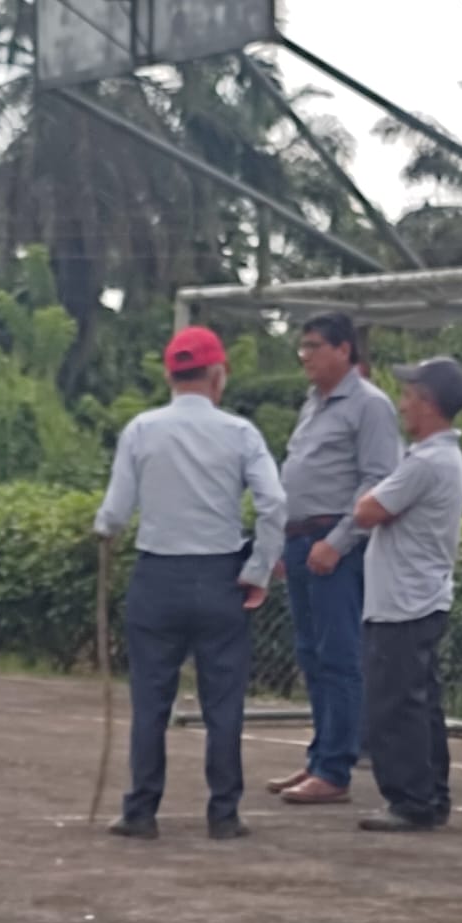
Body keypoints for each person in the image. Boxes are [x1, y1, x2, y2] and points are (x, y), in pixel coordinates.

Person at [94, 327, 286, 841]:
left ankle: (140, 811)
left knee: (150, 702)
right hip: (220, 576)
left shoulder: (141, 429)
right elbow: (274, 503)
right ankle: (223, 814)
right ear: (219, 375)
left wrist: (104, 530)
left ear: (169, 375)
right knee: (223, 704)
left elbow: (114, 512)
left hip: (157, 577)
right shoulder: (241, 433)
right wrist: (258, 569)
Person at [268, 312, 403, 807]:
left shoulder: (369, 405)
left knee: (338, 655)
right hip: (300, 538)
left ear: (344, 350)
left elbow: (378, 480)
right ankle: (319, 756)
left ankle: (335, 768)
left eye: (313, 346)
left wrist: (339, 541)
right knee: (311, 653)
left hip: (335, 543)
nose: (304, 355)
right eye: (302, 346)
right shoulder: (314, 403)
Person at [352, 356, 462, 833]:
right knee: (419, 704)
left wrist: (370, 496)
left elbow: (367, 511)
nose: (402, 405)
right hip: (420, 597)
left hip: (403, 602)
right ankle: (430, 795)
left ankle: (410, 800)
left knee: (395, 705)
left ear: (428, 403)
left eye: (409, 396)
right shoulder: (441, 457)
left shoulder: (426, 462)